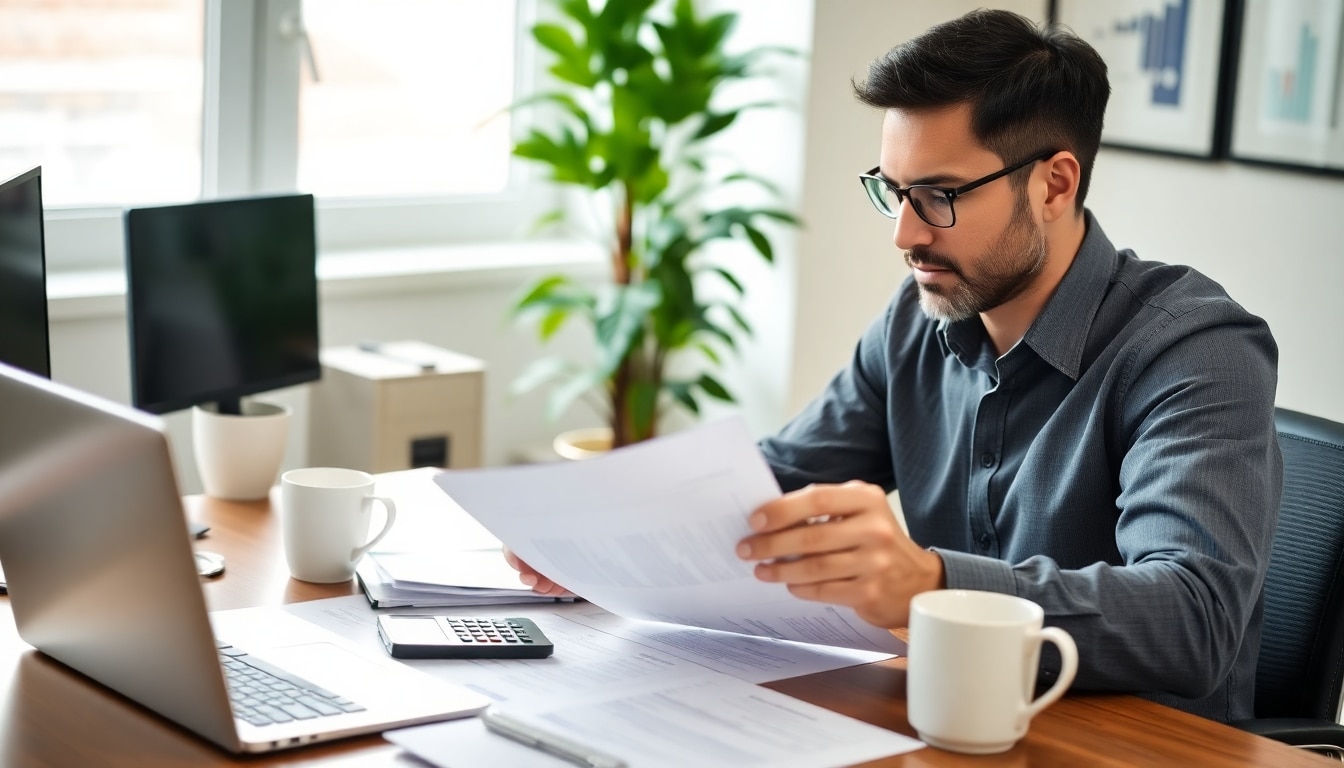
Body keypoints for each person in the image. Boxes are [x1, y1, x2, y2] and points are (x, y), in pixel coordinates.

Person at [507, 8, 1281, 723]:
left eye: (940, 195)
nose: (905, 233)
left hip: (1134, 743)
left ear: (1054, 183)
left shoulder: (1195, 351)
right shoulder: (919, 317)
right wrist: (607, 537)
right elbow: (777, 482)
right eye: (894, 191)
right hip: (947, 719)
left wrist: (930, 584)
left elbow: (1195, 617)